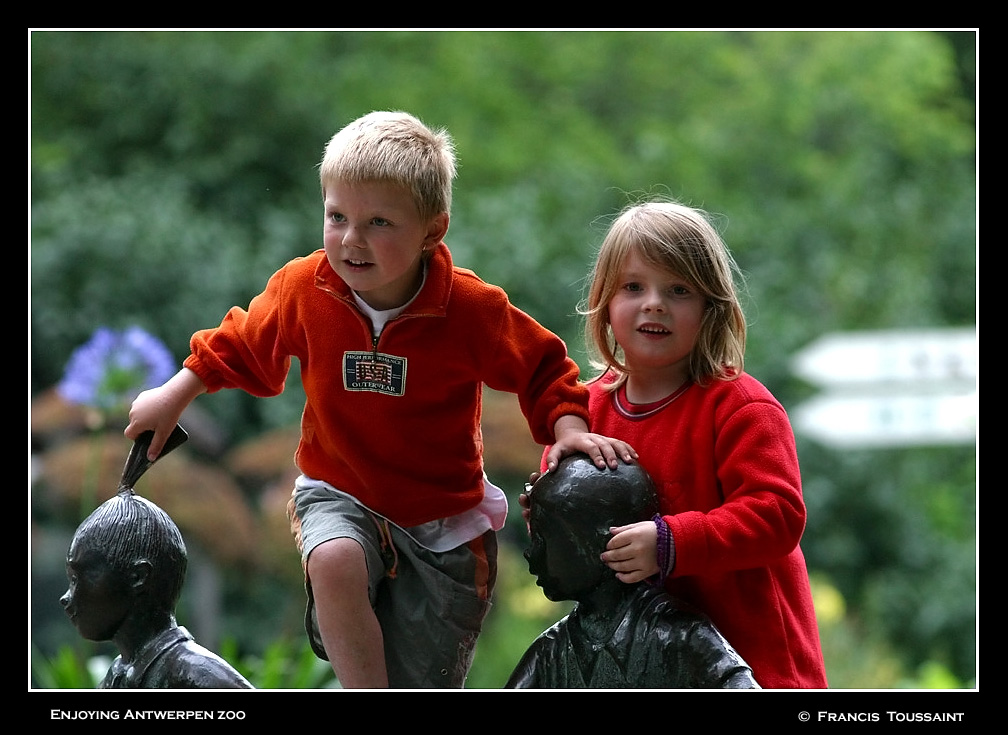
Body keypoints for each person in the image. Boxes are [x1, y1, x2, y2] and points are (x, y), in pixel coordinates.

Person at [124, 111, 633, 688]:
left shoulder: (470, 309)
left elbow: (543, 366)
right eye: (336, 216)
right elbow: (238, 341)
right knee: (335, 559)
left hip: (442, 517)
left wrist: (566, 427)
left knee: (425, 676)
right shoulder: (302, 289)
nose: (350, 239)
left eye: (378, 222)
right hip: (339, 489)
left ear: (432, 231)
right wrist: (174, 394)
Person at [528, 199, 828, 688]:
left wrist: (670, 542)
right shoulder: (584, 414)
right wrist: (543, 506)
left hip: (749, 664)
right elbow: (576, 525)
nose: (654, 303)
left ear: (712, 308)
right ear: (604, 304)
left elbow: (778, 515)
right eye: (633, 287)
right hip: (642, 668)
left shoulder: (740, 407)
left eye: (678, 290)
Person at [506, 453, 759, 689]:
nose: (531, 553)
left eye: (543, 538)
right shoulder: (551, 652)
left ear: (604, 542)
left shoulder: (680, 636)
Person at [60, 488, 254, 689]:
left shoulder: (198, 676)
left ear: (138, 577)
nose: (65, 597)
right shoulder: (115, 678)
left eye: (77, 578)